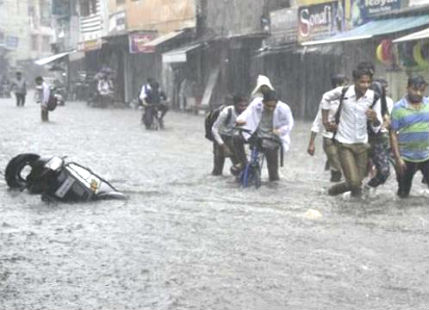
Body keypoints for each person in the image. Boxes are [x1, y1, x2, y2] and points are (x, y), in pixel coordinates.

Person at [322, 65, 382, 198]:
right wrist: (326, 121)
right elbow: (325, 98)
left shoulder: (374, 97)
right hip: (344, 143)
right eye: (362, 82)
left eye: (368, 82)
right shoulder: (343, 92)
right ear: (355, 81)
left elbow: (377, 126)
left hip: (362, 144)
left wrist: (374, 118)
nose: (365, 85)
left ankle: (353, 211)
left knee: (357, 185)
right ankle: (331, 193)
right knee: (354, 182)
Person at [236, 90, 294, 182]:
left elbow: (289, 124)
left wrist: (279, 131)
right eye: (268, 106)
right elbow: (246, 113)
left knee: (273, 174)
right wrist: (240, 120)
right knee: (237, 138)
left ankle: (272, 188)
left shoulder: (284, 108)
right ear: (263, 102)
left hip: (272, 138)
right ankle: (243, 163)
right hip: (256, 136)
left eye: (273, 106)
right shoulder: (256, 104)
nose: (271, 108)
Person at [390, 75, 429, 198]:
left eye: (421, 90)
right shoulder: (398, 108)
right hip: (406, 158)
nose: (418, 93)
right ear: (407, 88)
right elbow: (393, 134)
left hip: (427, 156)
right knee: (403, 194)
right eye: (414, 89)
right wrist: (397, 158)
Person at [307, 73, 348, 182]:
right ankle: (332, 192)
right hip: (329, 137)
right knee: (337, 170)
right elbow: (317, 121)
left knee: (347, 168)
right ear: (337, 85)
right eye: (344, 83)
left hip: (346, 137)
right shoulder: (327, 100)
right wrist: (311, 143)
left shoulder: (349, 100)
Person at [363, 79, 395, 195]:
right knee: (360, 172)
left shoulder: (385, 103)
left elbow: (386, 120)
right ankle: (353, 192)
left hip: (378, 140)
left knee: (384, 171)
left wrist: (379, 121)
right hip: (359, 141)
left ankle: (367, 187)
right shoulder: (358, 102)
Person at [211, 95, 248, 176]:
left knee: (239, 164)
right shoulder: (226, 112)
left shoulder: (247, 113)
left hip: (234, 139)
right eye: (241, 105)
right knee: (217, 170)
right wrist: (223, 145)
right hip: (221, 138)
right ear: (235, 105)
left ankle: (238, 181)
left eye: (245, 105)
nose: (243, 108)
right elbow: (214, 129)